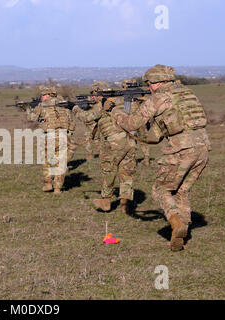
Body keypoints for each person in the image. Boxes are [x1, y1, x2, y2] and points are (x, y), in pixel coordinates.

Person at [113, 65, 211, 251]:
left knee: (160, 190)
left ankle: (176, 224)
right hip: (203, 147)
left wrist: (115, 111)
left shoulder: (158, 98)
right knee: (181, 190)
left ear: (157, 83)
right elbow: (156, 135)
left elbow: (132, 123)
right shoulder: (186, 93)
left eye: (149, 84)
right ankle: (181, 235)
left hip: (182, 149)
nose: (148, 88)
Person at [73, 81, 136, 213]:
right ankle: (124, 204)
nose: (93, 97)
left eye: (94, 94)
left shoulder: (103, 105)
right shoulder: (122, 102)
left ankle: (106, 201)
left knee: (108, 170)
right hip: (130, 141)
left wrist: (74, 108)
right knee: (126, 173)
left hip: (113, 143)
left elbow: (87, 118)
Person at [26, 86, 75, 194]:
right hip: (63, 137)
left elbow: (31, 118)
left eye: (43, 95)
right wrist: (69, 134)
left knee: (46, 161)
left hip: (48, 137)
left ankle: (48, 183)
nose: (42, 97)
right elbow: (72, 122)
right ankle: (57, 188)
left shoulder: (43, 105)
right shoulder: (64, 104)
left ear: (48, 95)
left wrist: (27, 109)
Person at [121, 79, 151, 166]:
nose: (123, 89)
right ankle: (145, 158)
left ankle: (135, 160)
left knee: (132, 141)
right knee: (142, 141)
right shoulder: (141, 98)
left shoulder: (138, 98)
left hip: (133, 122)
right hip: (141, 121)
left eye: (124, 87)